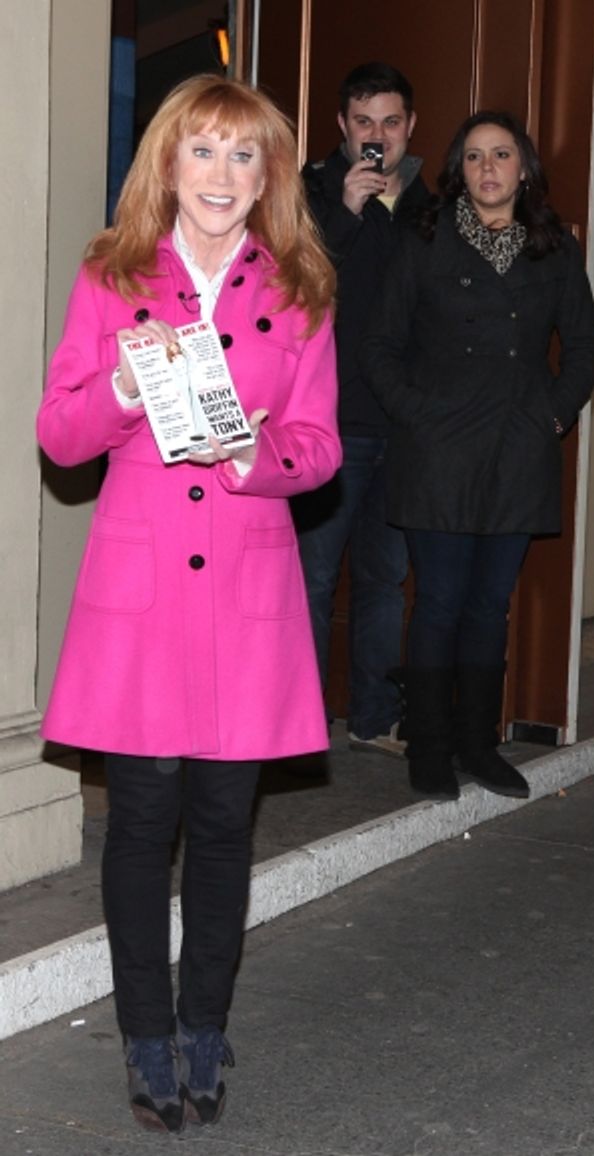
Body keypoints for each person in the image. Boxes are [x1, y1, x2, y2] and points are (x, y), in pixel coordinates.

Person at [37, 75, 339, 1132]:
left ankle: (205, 1024)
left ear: (270, 176)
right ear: (168, 161)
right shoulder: (111, 273)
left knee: (221, 825)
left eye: (244, 156)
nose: (221, 174)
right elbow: (60, 433)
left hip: (249, 586)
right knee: (140, 823)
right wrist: (122, 386)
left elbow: (321, 445)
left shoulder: (301, 286)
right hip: (141, 584)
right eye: (203, 151)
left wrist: (256, 455)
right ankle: (144, 1032)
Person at [361, 110, 594, 802]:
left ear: (523, 167)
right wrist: (418, 415)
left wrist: (554, 414)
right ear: (457, 171)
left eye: (501, 155)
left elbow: (585, 349)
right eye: (474, 157)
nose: (489, 169)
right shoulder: (423, 242)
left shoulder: (553, 249)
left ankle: (479, 744)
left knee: (489, 606)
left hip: (516, 451)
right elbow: (378, 348)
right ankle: (429, 749)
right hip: (438, 451)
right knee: (438, 602)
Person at [294, 62, 431, 756]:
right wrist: (343, 213)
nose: (377, 137)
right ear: (343, 128)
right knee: (313, 580)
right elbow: (292, 286)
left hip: (402, 426)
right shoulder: (308, 195)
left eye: (391, 123)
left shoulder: (431, 206)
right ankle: (302, 726)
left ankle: (375, 718)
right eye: (364, 123)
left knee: (385, 580)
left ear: (410, 129)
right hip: (327, 423)